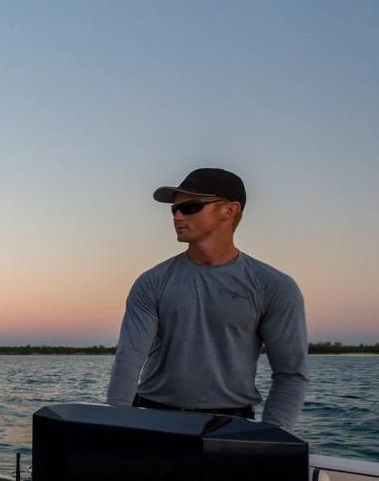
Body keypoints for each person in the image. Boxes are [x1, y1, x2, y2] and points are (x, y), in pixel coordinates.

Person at [105, 168, 308, 431]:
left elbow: (290, 374)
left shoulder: (274, 286)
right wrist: (116, 427)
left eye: (190, 207)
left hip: (232, 424)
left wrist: (270, 439)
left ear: (230, 210)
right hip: (154, 417)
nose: (177, 216)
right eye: (173, 210)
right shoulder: (152, 282)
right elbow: (128, 360)